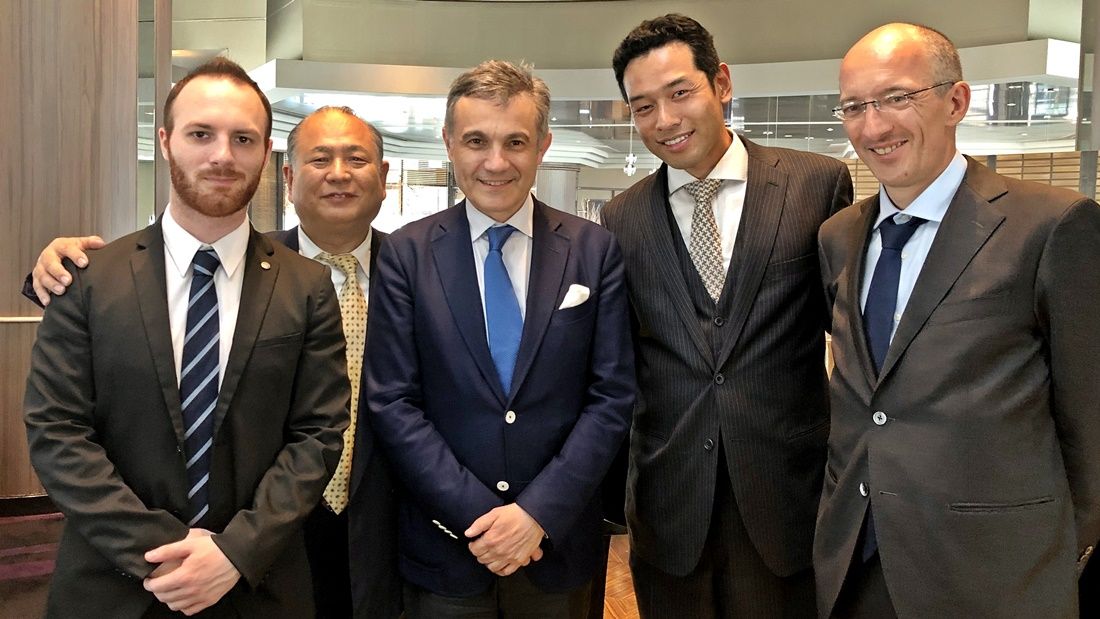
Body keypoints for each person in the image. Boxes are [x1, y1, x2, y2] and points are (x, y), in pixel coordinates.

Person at [22, 106, 403, 618]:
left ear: (383, 177)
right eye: (319, 159)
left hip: (371, 524)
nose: (338, 174)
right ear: (287, 177)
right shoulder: (232, 263)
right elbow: (61, 422)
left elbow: (322, 426)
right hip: (233, 541)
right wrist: (55, 270)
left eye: (355, 159)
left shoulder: (419, 266)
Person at [816, 23, 1100, 618]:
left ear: (956, 101)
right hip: (857, 560)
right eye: (854, 107)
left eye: (897, 97)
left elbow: (1090, 416)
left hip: (994, 574)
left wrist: (1053, 549)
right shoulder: (838, 236)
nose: (873, 126)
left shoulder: (1052, 225)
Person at [602, 14, 853, 618]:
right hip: (669, 501)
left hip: (787, 494)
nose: (665, 120)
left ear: (721, 83)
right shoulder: (621, 218)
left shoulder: (816, 184)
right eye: (643, 107)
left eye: (680, 93)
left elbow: (852, 338)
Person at [364, 60, 635, 618]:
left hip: (557, 545)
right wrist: (481, 519)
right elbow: (392, 401)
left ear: (543, 145)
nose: (495, 162)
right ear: (448, 143)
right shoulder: (406, 255)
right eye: (476, 141)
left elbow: (611, 397)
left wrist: (537, 514)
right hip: (447, 545)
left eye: (515, 141)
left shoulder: (594, 249)